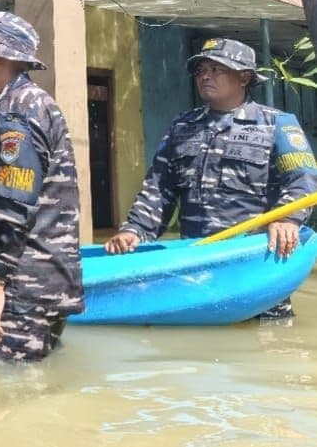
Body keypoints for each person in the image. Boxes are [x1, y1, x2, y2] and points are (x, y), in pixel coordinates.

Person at [105, 38, 317, 319]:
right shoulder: (183, 127)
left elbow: (303, 180)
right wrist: (133, 231)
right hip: (196, 269)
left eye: (216, 69)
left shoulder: (277, 124)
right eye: (201, 70)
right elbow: (158, 190)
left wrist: (287, 219)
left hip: (256, 268)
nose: (205, 75)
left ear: (244, 77)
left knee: (265, 343)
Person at [0, 11, 84, 362]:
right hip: (28, 285)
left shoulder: (18, 113)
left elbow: (14, 206)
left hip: (19, 290)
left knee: (0, 391)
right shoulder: (16, 105)